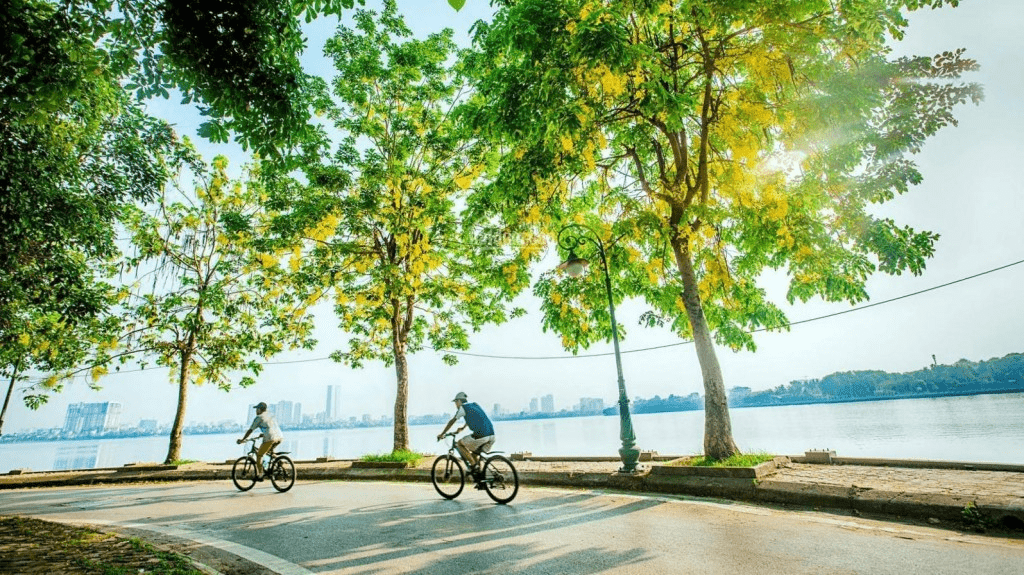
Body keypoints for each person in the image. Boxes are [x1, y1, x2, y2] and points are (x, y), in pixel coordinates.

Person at [437, 392, 495, 473]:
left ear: (459, 401)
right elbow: (475, 417)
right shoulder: (475, 405)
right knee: (474, 455)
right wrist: (463, 428)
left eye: (455, 402)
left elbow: (452, 421)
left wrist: (442, 434)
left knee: (460, 444)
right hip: (491, 435)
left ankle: (474, 467)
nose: (455, 405)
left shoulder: (462, 408)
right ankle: (481, 480)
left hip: (481, 436)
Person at [238, 402, 283, 479]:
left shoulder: (258, 418)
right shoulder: (270, 416)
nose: (256, 411)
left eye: (257, 409)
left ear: (260, 409)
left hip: (270, 438)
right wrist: (263, 434)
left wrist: (243, 439)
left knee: (259, 455)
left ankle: (261, 474)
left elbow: (250, 430)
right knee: (269, 452)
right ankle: (278, 461)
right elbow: (270, 427)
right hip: (279, 437)